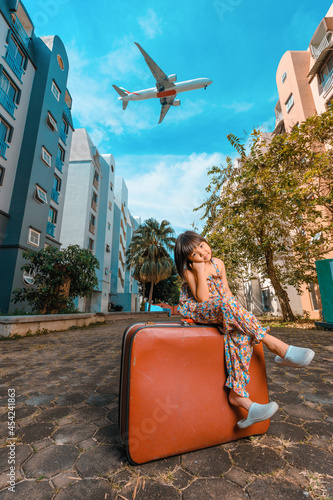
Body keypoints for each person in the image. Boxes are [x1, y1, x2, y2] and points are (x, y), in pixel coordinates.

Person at [174, 231, 315, 429]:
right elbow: (203, 299)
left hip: (224, 308)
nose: (202, 253)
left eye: (202, 246)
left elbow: (227, 292)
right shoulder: (190, 271)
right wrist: (200, 271)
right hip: (201, 310)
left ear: (206, 242)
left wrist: (239, 314)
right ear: (188, 259)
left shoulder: (218, 263)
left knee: (240, 333)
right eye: (195, 254)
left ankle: (240, 399)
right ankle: (277, 347)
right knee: (226, 305)